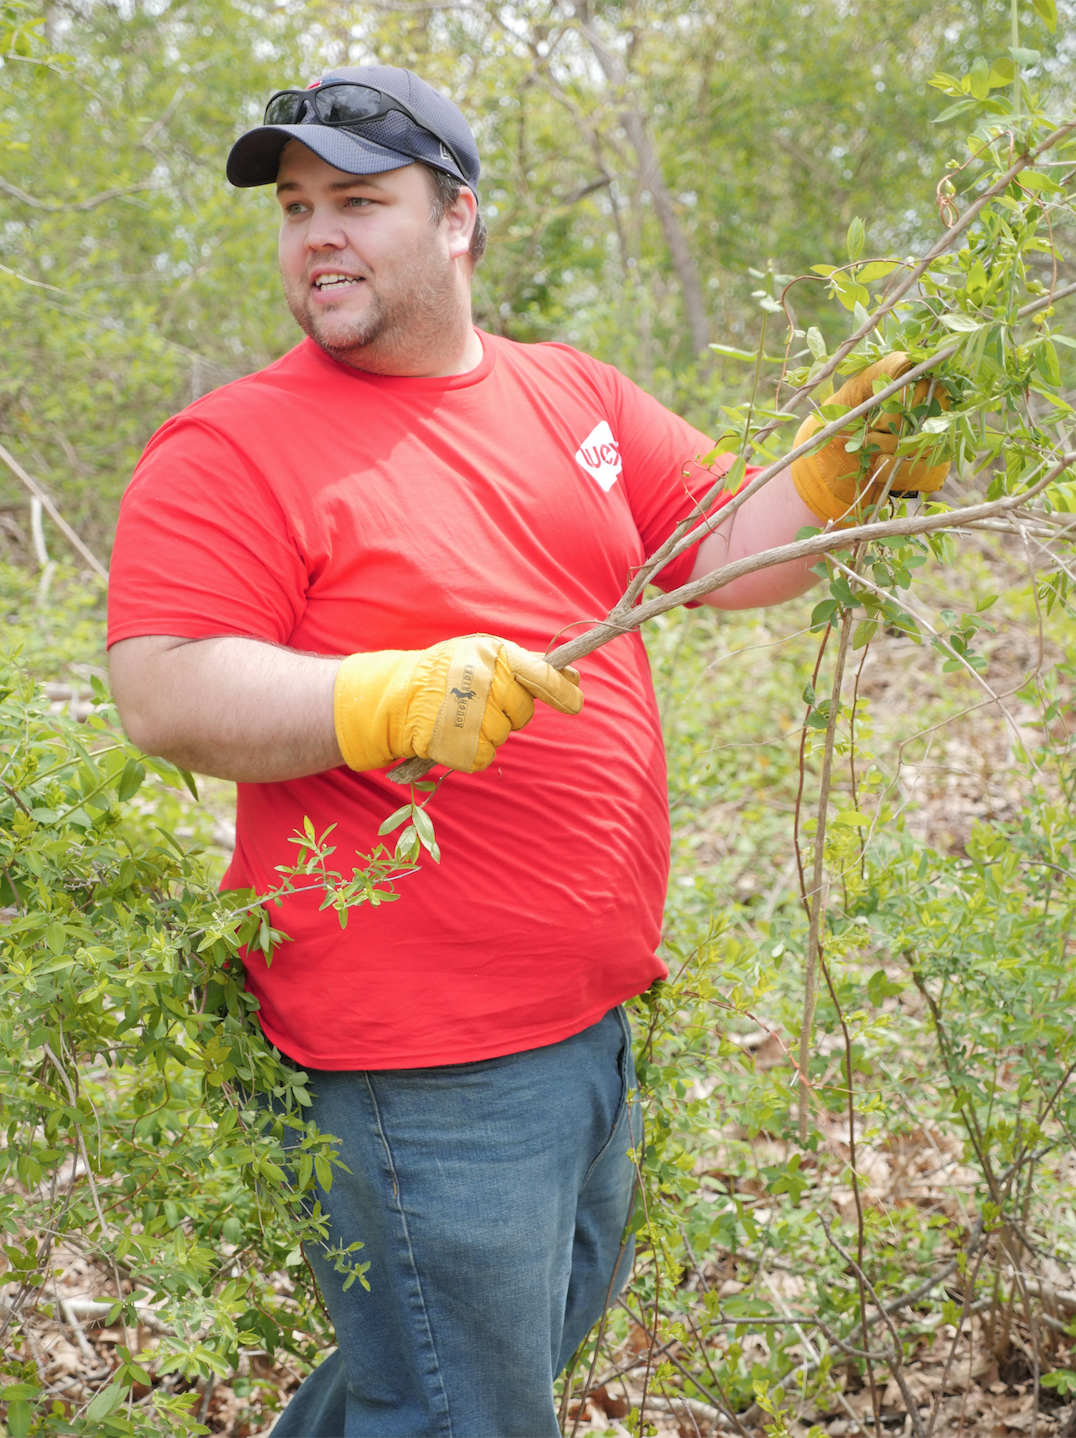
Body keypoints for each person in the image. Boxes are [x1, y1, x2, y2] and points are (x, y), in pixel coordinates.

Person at [107, 64, 946, 1438]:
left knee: (465, 1362)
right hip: (418, 1058)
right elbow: (164, 686)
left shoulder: (575, 398)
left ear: (459, 221)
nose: (316, 232)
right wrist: (380, 697)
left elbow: (728, 555)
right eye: (297, 206)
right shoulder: (233, 447)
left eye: (359, 202)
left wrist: (853, 458)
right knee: (463, 1404)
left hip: (585, 1024)